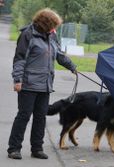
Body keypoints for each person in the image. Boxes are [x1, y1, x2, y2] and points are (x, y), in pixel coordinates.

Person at [7, 8, 77, 160]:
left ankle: (37, 148)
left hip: (45, 85)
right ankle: (14, 148)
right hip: (28, 84)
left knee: (40, 117)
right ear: (45, 23)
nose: (55, 28)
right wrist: (17, 80)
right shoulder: (27, 35)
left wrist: (72, 67)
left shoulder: (51, 35)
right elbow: (19, 59)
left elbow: (59, 55)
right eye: (53, 25)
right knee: (24, 115)